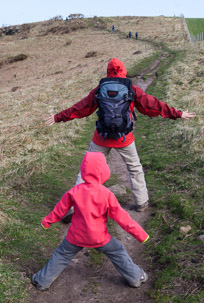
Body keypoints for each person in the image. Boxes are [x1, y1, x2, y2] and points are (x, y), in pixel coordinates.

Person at [45, 58, 195, 220]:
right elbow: (152, 104)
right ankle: (142, 202)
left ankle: (75, 206)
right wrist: (177, 113)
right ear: (123, 70)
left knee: (86, 171)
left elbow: (81, 108)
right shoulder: (131, 88)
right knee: (135, 168)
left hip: (101, 137)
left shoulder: (100, 88)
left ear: (108, 71)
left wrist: (58, 117)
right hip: (124, 138)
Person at [31, 152, 149, 291]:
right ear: (104, 171)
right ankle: (136, 277)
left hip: (75, 237)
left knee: (61, 255)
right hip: (99, 238)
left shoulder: (74, 191)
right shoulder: (106, 194)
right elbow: (123, 218)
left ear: (83, 170)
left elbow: (60, 210)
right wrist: (140, 235)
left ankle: (41, 281)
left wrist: (47, 221)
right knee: (117, 252)